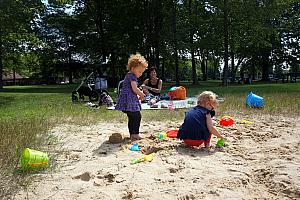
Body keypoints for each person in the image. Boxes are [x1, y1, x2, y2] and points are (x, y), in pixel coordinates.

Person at [115, 53, 148, 140]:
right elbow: (134, 88)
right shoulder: (132, 76)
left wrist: (138, 93)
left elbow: (133, 89)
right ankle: (135, 133)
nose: (140, 74)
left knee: (132, 117)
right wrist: (141, 94)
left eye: (142, 72)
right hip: (129, 102)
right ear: (133, 68)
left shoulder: (129, 75)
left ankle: (132, 134)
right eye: (139, 71)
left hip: (128, 101)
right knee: (137, 116)